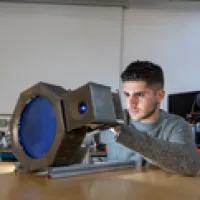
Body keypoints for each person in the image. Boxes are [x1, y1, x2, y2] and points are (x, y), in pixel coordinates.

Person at [101, 60, 200, 176]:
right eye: (127, 95)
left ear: (160, 96)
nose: (131, 103)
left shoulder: (176, 125)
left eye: (140, 95)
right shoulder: (114, 120)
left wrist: (122, 133)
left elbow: (191, 165)